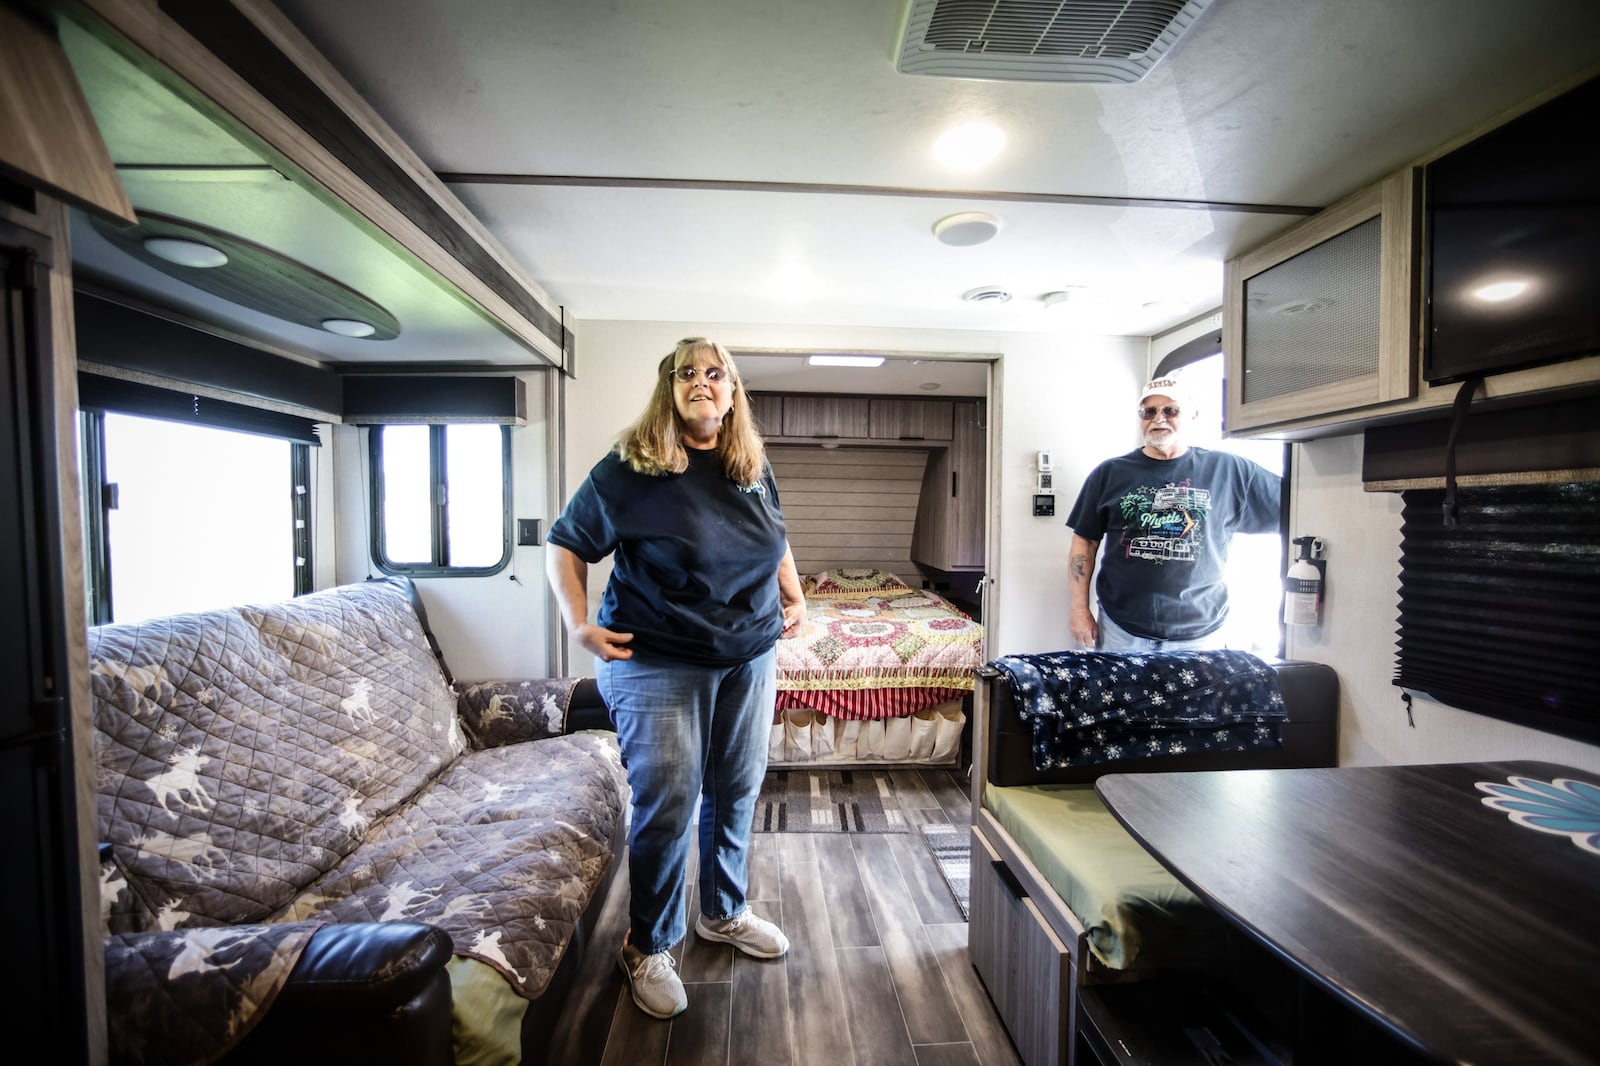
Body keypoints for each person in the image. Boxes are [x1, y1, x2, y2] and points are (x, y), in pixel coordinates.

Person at [545, 336, 806, 1021]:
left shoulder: (748, 461)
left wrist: (794, 593)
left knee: (737, 786)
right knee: (670, 799)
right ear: (669, 388)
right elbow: (566, 544)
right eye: (687, 373)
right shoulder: (632, 466)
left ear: (731, 391)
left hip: (747, 654)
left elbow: (774, 536)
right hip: (658, 658)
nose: (701, 382)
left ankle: (723, 911)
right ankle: (647, 944)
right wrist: (579, 624)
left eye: (714, 373)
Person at [1066, 375, 1280, 652]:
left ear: (1192, 415)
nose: (1159, 419)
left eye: (1171, 410)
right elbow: (1085, 541)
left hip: (1200, 634)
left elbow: (1299, 506)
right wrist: (1078, 610)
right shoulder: (1109, 473)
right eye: (1149, 411)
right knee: (1123, 697)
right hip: (1122, 630)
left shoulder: (1230, 471)